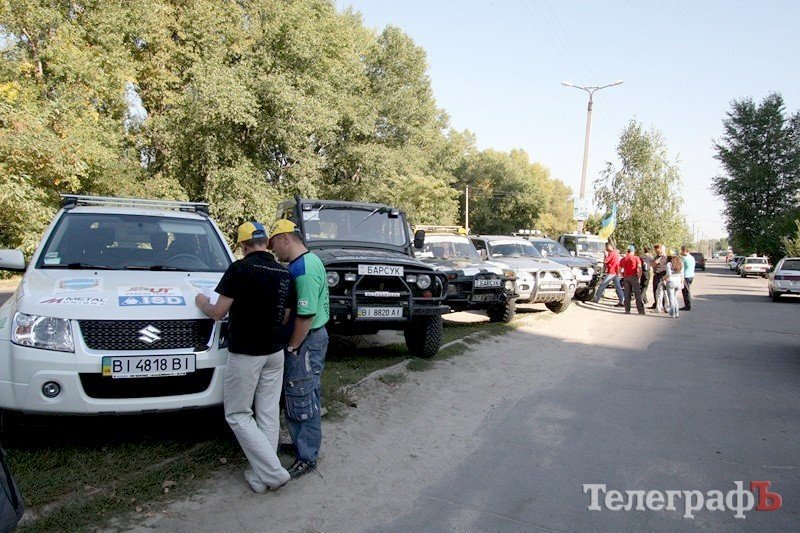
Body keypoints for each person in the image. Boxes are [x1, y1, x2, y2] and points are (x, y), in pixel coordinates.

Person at [195, 221, 293, 492]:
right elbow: (285, 316)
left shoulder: (239, 269)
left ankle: (274, 473)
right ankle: (261, 477)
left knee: (238, 414)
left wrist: (201, 302)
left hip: (246, 352)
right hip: (275, 353)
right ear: (265, 243)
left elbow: (218, 313)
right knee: (268, 413)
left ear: (242, 245)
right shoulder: (284, 273)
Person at [268, 219, 330, 480]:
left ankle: (307, 456)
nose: (273, 251)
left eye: (274, 244)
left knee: (301, 393)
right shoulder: (308, 261)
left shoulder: (303, 270)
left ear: (286, 238)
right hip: (313, 338)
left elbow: (305, 315)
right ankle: (302, 443)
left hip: (306, 340)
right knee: (306, 392)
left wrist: (293, 346)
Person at [592, 242, 624, 307]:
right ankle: (622, 300)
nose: (605, 248)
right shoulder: (615, 253)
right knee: (618, 287)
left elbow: (606, 261)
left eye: (606, 246)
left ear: (609, 246)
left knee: (603, 285)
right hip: (615, 272)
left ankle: (596, 298)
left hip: (611, 272)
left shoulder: (611, 253)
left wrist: (605, 254)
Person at [620, 245, 645, 314]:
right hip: (634, 277)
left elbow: (619, 270)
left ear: (627, 251)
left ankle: (627, 310)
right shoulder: (636, 258)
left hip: (626, 277)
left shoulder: (623, 259)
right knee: (637, 294)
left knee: (627, 294)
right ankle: (641, 310)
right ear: (633, 251)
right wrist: (639, 275)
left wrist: (622, 276)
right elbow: (639, 268)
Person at [650, 244, 668, 313]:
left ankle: (664, 306)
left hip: (662, 275)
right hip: (656, 274)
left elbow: (655, 263)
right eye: (656, 251)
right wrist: (655, 263)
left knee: (663, 292)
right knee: (656, 291)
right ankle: (657, 305)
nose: (656, 252)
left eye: (657, 251)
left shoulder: (665, 257)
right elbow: (652, 264)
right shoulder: (657, 256)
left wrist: (655, 262)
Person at [664, 253, 684, 318]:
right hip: (678, 282)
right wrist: (682, 283)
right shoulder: (681, 264)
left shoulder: (669, 264)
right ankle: (677, 313)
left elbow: (668, 274)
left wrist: (663, 278)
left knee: (671, 298)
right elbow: (682, 275)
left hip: (671, 282)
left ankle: (673, 313)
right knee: (675, 298)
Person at [680, 245, 696, 311]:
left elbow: (680, 267)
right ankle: (687, 305)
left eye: (681, 250)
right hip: (691, 276)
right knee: (686, 291)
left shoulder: (684, 258)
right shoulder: (692, 257)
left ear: (685, 250)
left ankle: (687, 306)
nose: (681, 252)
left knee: (686, 292)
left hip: (686, 276)